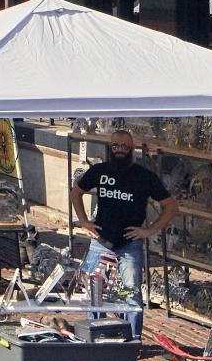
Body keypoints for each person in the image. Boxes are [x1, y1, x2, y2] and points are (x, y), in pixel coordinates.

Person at [70, 128, 174, 336]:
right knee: (94, 294)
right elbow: (76, 192)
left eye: (124, 146)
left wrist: (149, 230)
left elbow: (171, 206)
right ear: (110, 148)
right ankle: (94, 336)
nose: (119, 150)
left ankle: (134, 340)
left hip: (129, 244)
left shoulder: (144, 176)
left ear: (132, 148)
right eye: (115, 146)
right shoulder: (99, 171)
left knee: (131, 294)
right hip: (100, 240)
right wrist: (83, 221)